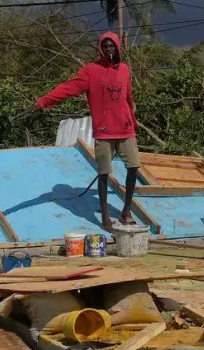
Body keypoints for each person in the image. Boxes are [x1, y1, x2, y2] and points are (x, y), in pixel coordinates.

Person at [35, 30, 139, 228]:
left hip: (125, 129)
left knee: (133, 167)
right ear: (100, 48)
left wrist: (133, 122)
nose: (109, 49)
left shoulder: (125, 70)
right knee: (103, 173)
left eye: (112, 45)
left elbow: (128, 99)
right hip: (104, 130)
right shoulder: (91, 71)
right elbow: (68, 87)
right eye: (105, 46)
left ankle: (126, 211)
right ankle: (105, 216)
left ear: (118, 47)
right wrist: (43, 101)